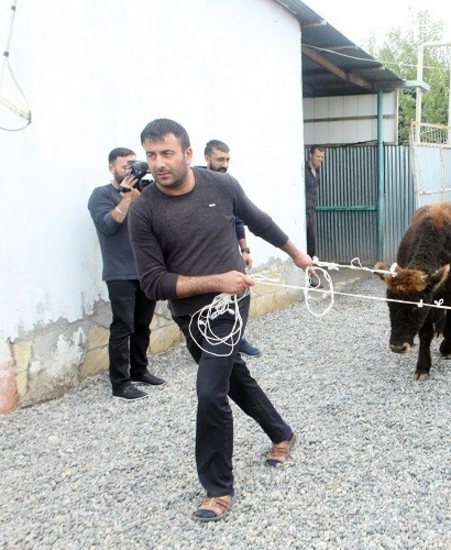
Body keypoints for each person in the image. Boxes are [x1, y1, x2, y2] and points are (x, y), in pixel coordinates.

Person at [129, 119, 313, 522]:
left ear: (188, 154)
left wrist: (296, 254)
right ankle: (281, 432)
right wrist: (216, 280)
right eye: (151, 155)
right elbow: (153, 283)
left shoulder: (221, 186)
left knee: (210, 390)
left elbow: (259, 220)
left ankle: (217, 488)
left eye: (167, 153)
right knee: (232, 378)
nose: (159, 163)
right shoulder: (143, 211)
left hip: (231, 307)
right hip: (188, 314)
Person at [87, 148, 167, 401]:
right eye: (125, 166)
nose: (130, 170)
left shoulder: (145, 193)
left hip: (145, 270)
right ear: (112, 168)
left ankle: (139, 370)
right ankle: (120, 384)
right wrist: (127, 198)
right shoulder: (101, 195)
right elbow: (107, 226)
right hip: (119, 272)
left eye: (134, 165)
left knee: (143, 325)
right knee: (123, 327)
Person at [204, 139, 261, 357]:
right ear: (207, 158)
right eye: (220, 159)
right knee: (212, 302)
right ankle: (210, 343)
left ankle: (237, 339)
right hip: (205, 257)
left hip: (229, 254)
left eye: (227, 159)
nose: (224, 164)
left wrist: (244, 250)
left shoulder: (228, 184)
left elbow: (238, 220)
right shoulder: (197, 185)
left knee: (239, 295)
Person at [305, 144, 325, 259]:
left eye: (322, 157)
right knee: (302, 241)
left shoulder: (317, 172)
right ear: (310, 155)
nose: (320, 159)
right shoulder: (303, 170)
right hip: (302, 212)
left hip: (311, 211)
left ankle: (310, 268)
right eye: (318, 156)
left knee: (311, 242)